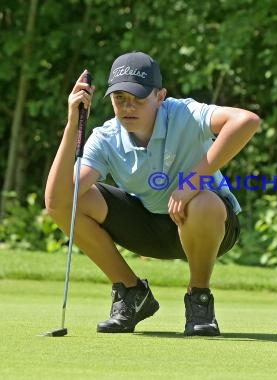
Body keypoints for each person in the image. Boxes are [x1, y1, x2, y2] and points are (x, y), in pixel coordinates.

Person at [45, 52, 260, 336]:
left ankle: (199, 298)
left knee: (204, 203)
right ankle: (133, 293)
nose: (128, 107)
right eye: (120, 98)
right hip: (149, 227)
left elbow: (247, 121)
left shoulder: (184, 113)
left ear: (160, 96)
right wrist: (73, 124)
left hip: (211, 225)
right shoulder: (106, 136)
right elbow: (59, 201)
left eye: (138, 98)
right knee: (72, 202)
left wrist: (191, 183)